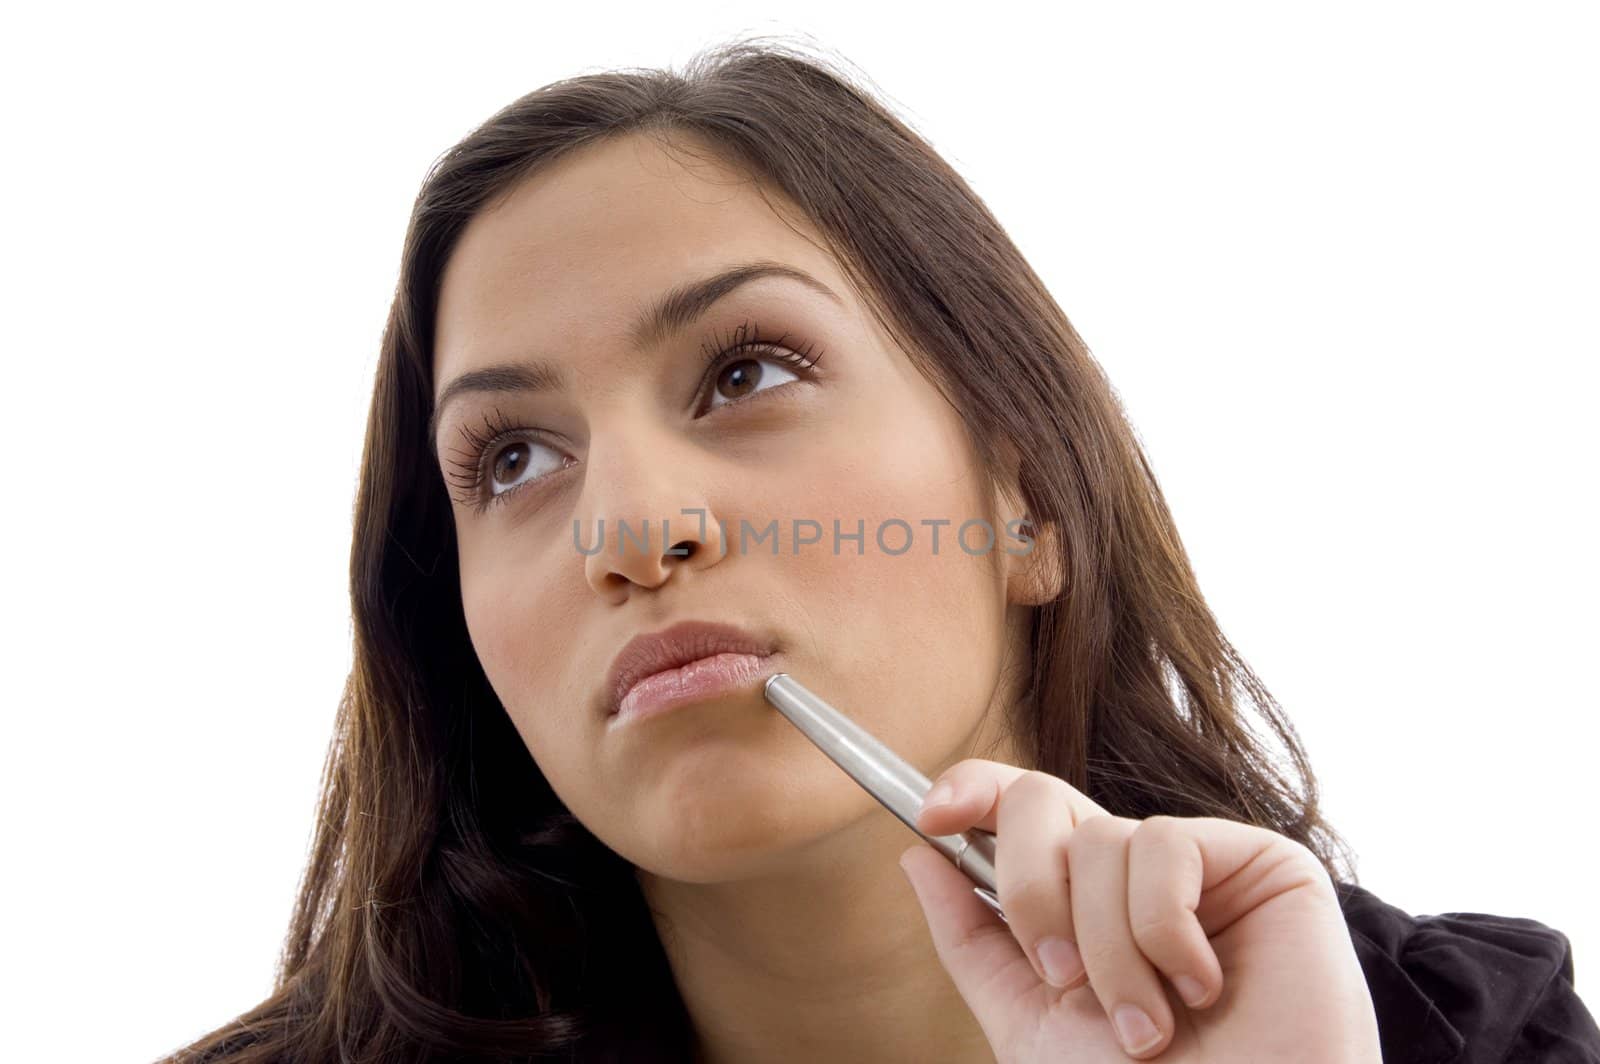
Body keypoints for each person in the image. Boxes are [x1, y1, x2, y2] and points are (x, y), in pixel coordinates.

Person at [160, 36, 1600, 1064]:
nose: (628, 530)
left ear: (1025, 501)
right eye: (512, 461)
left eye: (748, 372)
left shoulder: (1464, 1037)